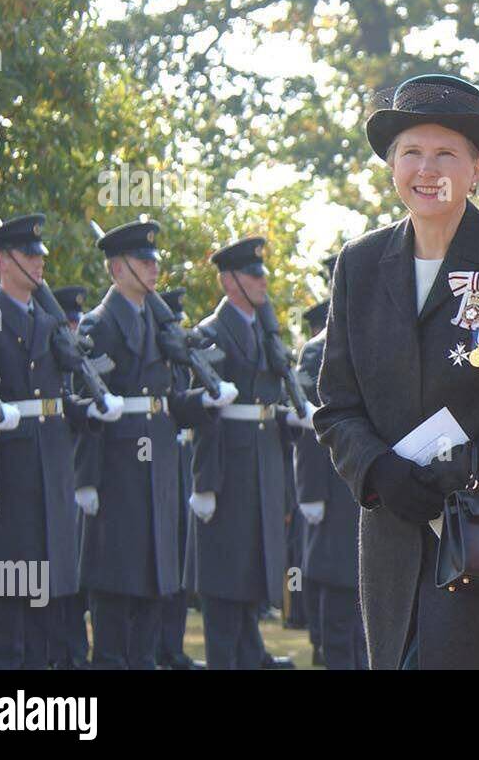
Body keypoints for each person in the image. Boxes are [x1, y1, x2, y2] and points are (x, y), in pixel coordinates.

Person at [314, 73, 479, 669]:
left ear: (476, 167)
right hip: (396, 536)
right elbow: (336, 406)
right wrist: (381, 471)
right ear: (390, 165)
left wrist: (463, 471)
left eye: (445, 153)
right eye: (411, 152)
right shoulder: (357, 265)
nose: (426, 168)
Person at [0, 214, 119, 669]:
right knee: (10, 618)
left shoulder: (48, 323)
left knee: (52, 613)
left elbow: (57, 401)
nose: (39, 263)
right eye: (29, 255)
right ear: (3, 262)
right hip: (9, 481)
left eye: (39, 254)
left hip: (51, 474)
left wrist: (90, 411)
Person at [74, 221, 232, 669]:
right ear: (118, 268)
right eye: (145, 261)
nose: (155, 268)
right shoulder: (99, 324)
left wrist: (205, 401)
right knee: (115, 592)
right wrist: (85, 479)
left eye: (156, 260)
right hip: (118, 471)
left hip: (158, 465)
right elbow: (87, 404)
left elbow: (167, 402)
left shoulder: (158, 322)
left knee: (152, 588)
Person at [184, 236, 312, 669]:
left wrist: (289, 421)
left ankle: (248, 653)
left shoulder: (265, 331)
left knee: (252, 574)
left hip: (263, 463)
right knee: (224, 580)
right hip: (227, 469)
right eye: (253, 274)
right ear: (229, 281)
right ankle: (228, 657)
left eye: (262, 273)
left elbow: (267, 404)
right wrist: (204, 483)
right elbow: (201, 411)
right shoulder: (210, 333)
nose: (262, 282)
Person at [293, 299, 365, 669]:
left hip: (365, 484)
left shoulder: (370, 339)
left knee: (364, 605)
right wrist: (310, 493)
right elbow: (307, 423)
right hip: (332, 486)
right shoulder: (317, 350)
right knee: (337, 597)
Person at [155, 287, 205, 670]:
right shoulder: (160, 356)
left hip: (180, 460)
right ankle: (160, 646)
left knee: (178, 558)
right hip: (161, 457)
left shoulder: (177, 357)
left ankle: (172, 646)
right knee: (161, 556)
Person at [50, 285, 93, 670]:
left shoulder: (81, 362)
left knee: (74, 576)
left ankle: (75, 652)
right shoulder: (58, 363)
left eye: (77, 320)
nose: (75, 326)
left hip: (73, 480)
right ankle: (61, 652)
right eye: (68, 321)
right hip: (63, 476)